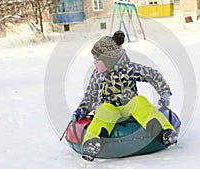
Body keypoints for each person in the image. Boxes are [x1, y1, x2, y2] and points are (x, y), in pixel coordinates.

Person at [72, 30, 177, 161]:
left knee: (140, 101)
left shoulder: (129, 69)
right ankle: (92, 143)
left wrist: (164, 92)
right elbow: (90, 96)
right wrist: (81, 110)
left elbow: (153, 75)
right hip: (110, 107)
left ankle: (164, 132)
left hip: (129, 106)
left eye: (97, 59)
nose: (94, 63)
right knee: (103, 111)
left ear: (108, 60)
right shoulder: (97, 75)